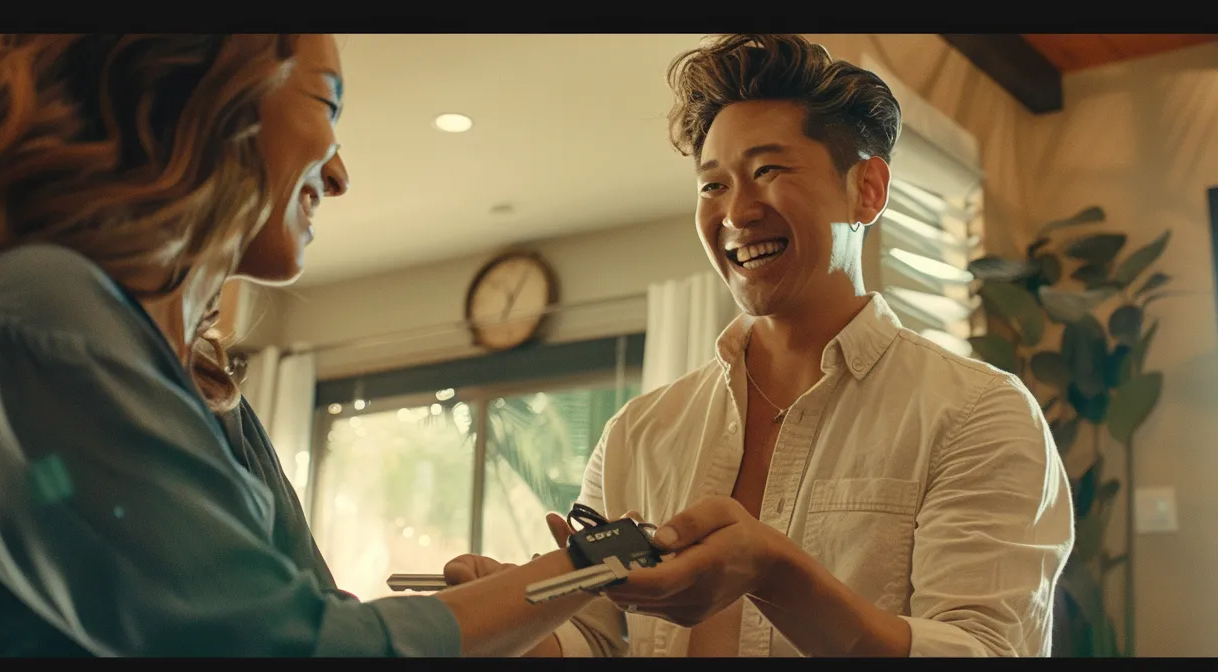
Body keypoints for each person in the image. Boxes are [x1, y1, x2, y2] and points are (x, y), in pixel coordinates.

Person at [0, 34, 607, 657]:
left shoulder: (207, 386)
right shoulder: (34, 313)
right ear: (205, 100)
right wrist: (585, 570)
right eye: (327, 104)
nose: (342, 173)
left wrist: (543, 589)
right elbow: (274, 648)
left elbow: (316, 623)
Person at [449, 33, 1076, 657]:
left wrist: (776, 575)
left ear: (868, 190)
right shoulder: (640, 432)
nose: (735, 212)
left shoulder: (976, 414)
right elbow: (595, 637)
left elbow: (986, 650)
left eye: (767, 170)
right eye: (712, 185)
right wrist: (503, 614)